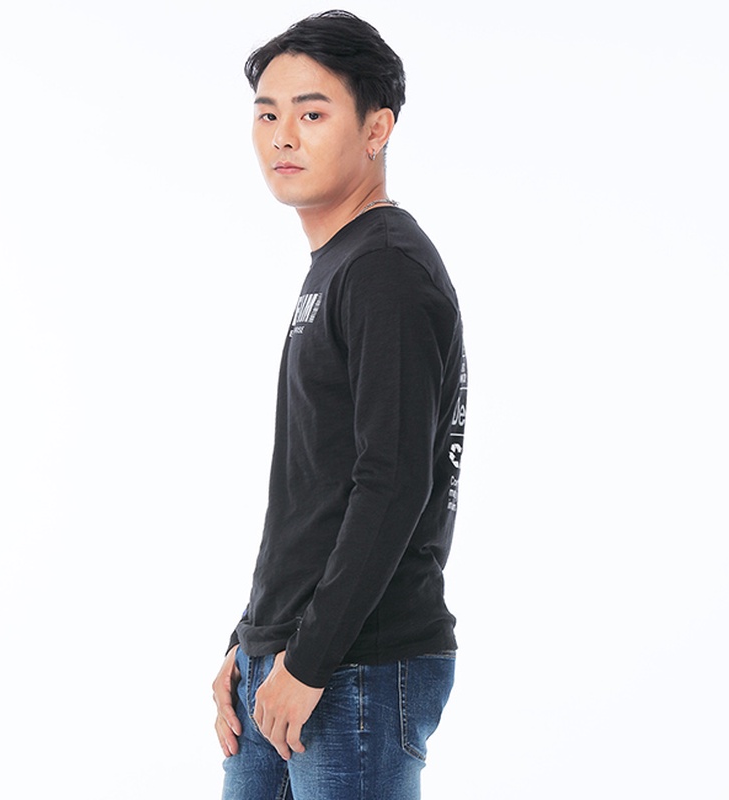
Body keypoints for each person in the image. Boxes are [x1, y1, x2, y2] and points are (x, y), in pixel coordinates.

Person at [212, 10, 468, 799]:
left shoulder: (385, 267)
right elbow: (314, 488)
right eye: (267, 115)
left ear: (376, 129)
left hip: (353, 666)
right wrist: (250, 637)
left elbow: (392, 483)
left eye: (312, 114)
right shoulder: (340, 263)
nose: (283, 136)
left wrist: (309, 659)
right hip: (288, 656)